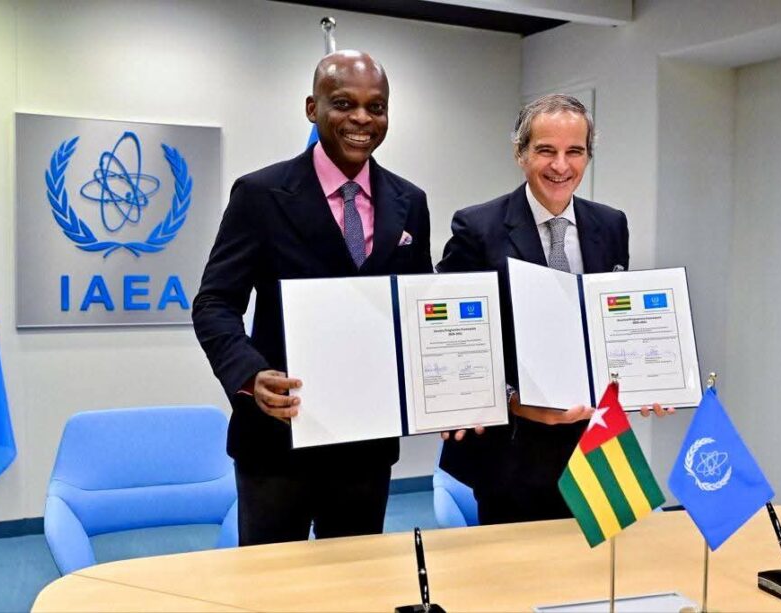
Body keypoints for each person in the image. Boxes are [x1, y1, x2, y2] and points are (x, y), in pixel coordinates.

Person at [192, 50, 432, 546]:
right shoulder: (260, 194)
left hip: (366, 443)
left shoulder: (410, 202)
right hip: (277, 438)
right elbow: (214, 303)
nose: (362, 118)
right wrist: (249, 375)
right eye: (343, 103)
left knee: (354, 579)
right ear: (312, 108)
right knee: (272, 582)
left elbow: (418, 309)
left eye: (376, 106)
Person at [437, 94, 670, 525]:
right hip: (511, 455)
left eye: (574, 151)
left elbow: (613, 326)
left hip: (592, 447)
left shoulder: (611, 224)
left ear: (588, 156)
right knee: (517, 565)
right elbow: (452, 342)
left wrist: (648, 378)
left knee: (597, 562)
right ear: (520, 153)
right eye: (546, 150)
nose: (561, 165)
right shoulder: (477, 227)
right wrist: (512, 400)